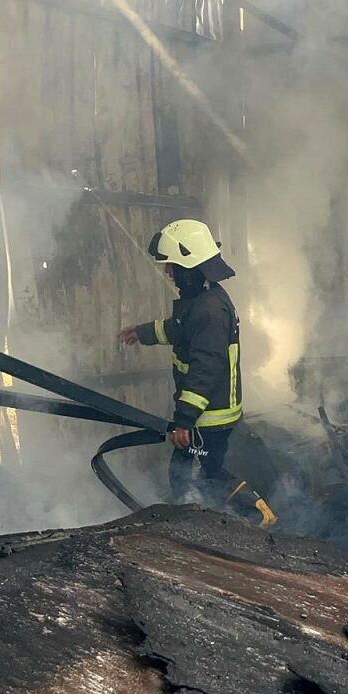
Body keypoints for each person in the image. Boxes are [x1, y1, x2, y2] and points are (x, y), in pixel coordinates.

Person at [117, 219, 276, 527]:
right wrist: (143, 332)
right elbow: (180, 330)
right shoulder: (202, 301)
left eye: (171, 266)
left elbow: (205, 369)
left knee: (197, 475)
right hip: (206, 414)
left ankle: (252, 516)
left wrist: (185, 421)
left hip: (209, 416)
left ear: (188, 268)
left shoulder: (209, 311)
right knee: (200, 472)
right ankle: (212, 521)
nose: (167, 272)